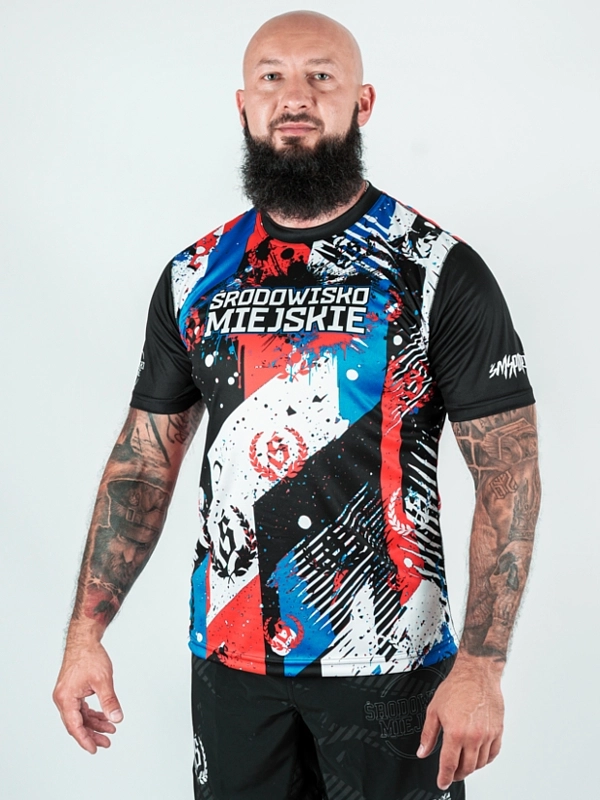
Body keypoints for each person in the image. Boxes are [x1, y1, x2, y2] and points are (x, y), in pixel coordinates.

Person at [53, 10, 540, 800]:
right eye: (272, 77)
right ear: (243, 104)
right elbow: (143, 466)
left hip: (391, 668)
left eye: (321, 76)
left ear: (362, 102)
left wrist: (482, 668)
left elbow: (509, 474)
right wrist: (86, 635)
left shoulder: (435, 269)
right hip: (231, 666)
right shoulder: (196, 275)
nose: (295, 96)